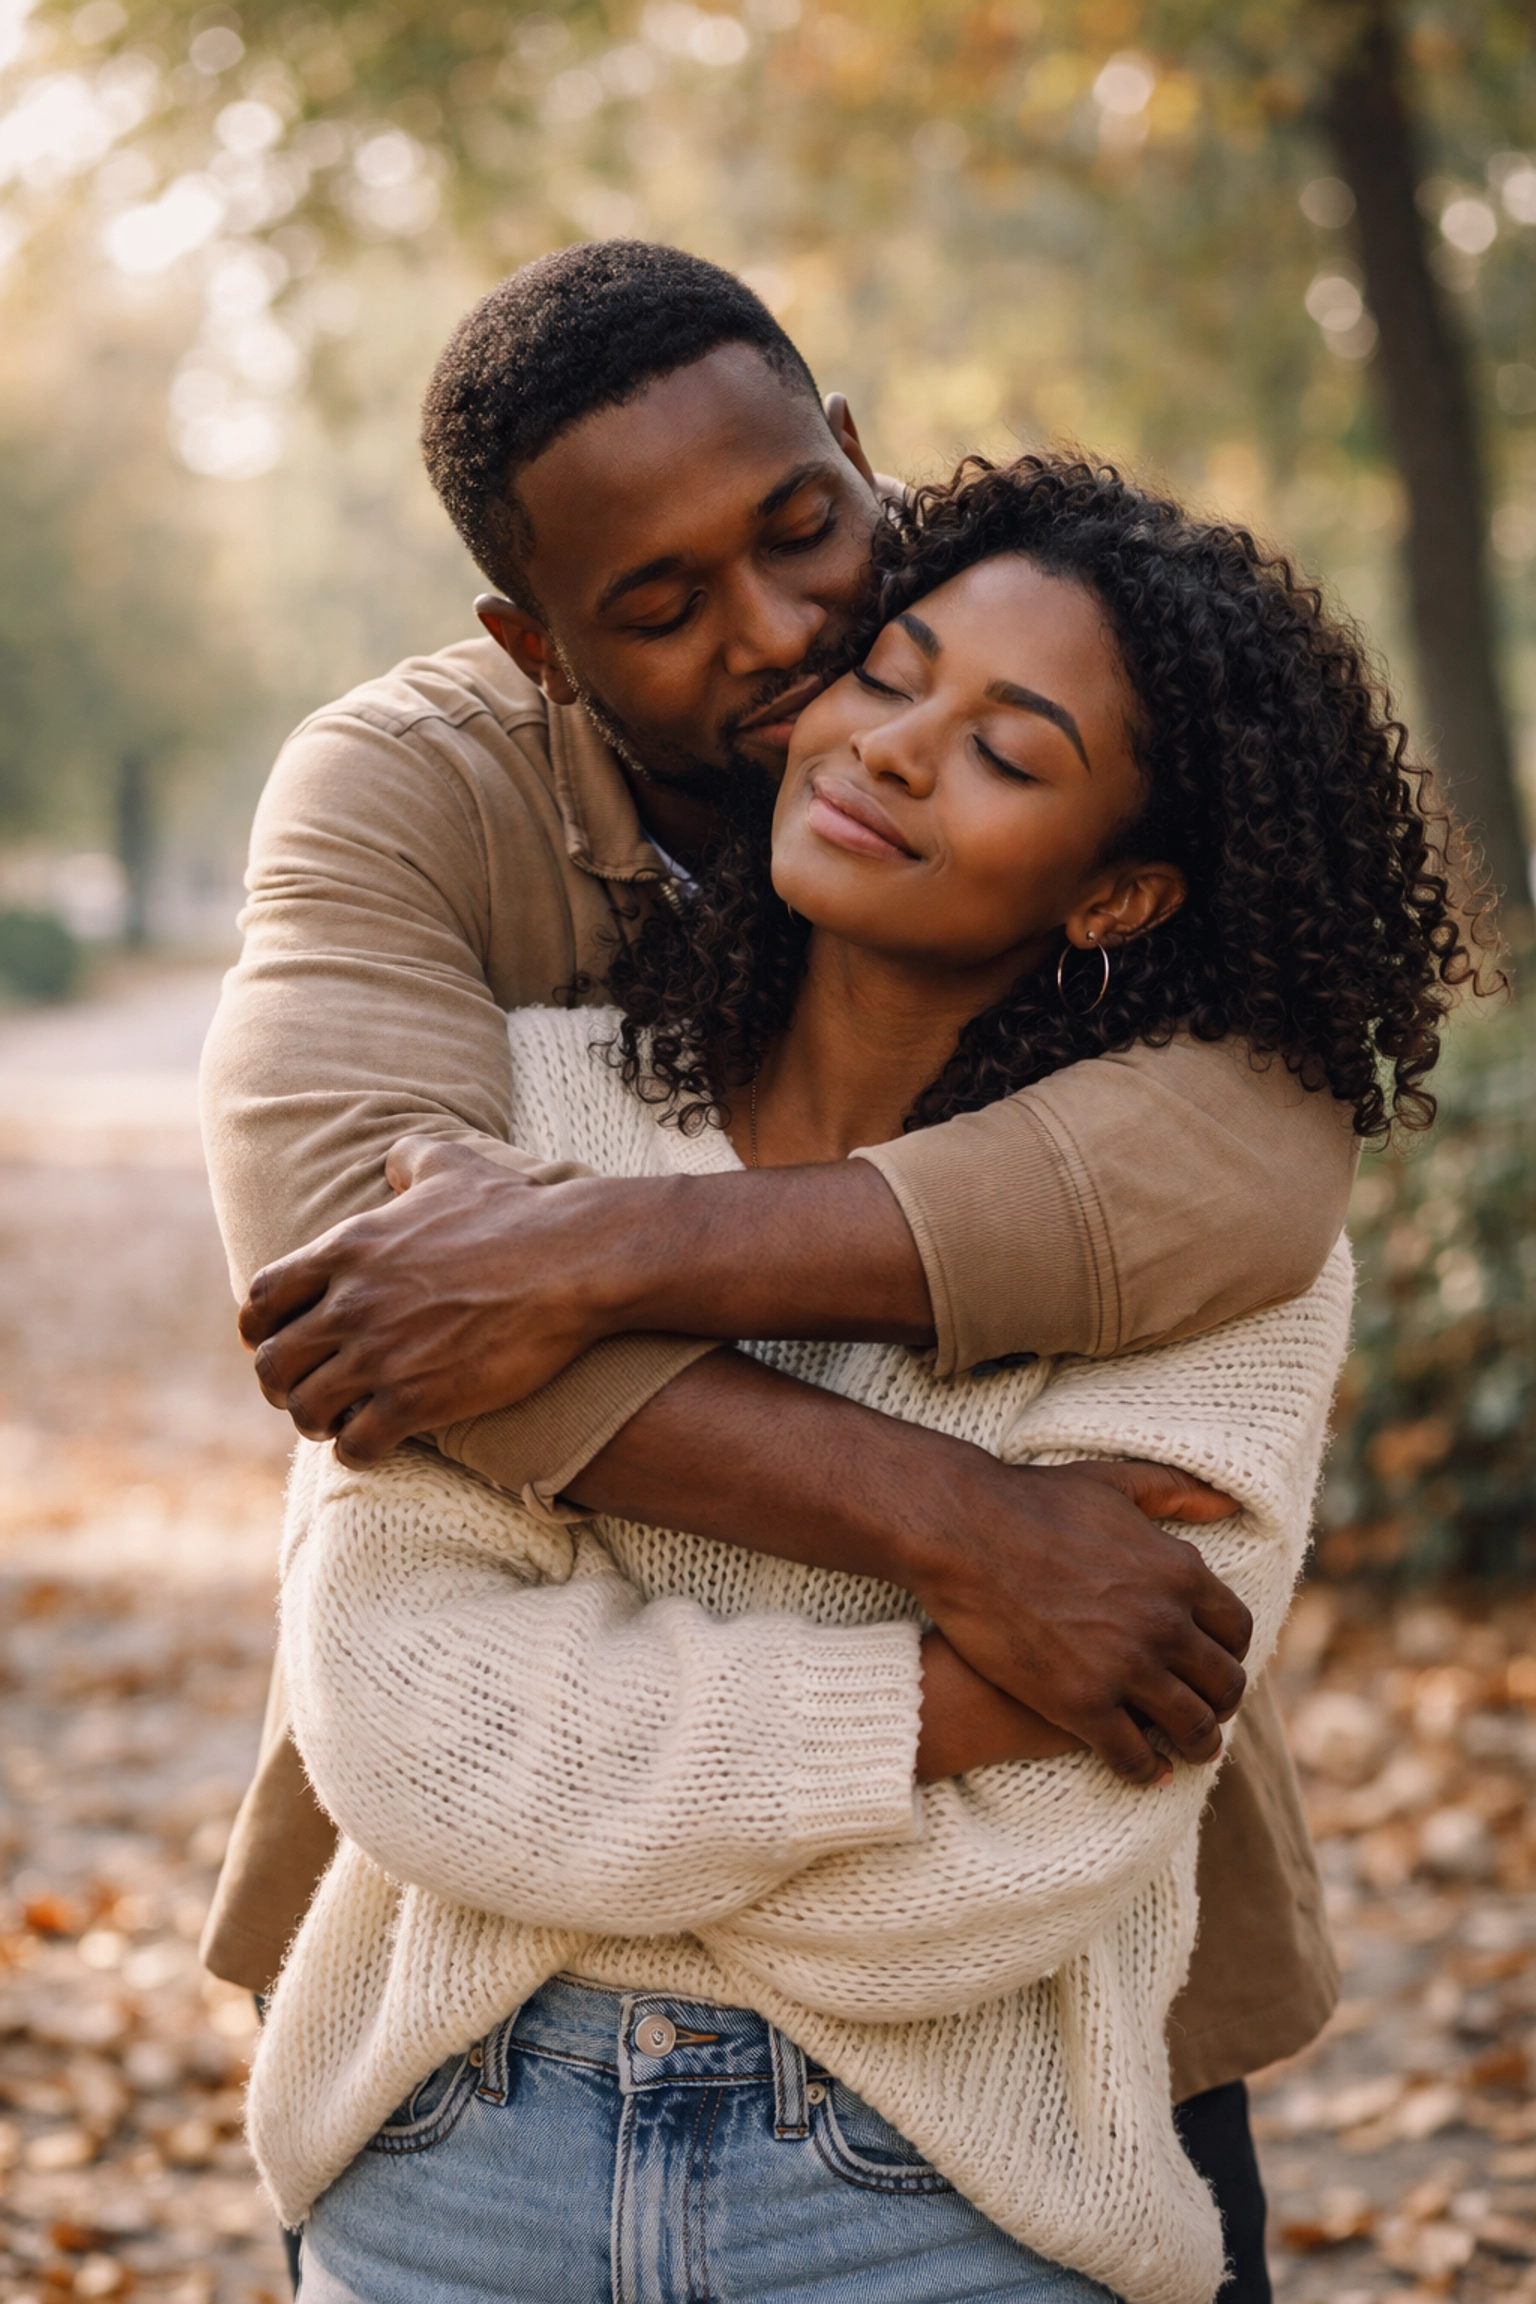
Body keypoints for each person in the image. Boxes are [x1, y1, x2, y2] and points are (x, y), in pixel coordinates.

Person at [202, 246, 1357, 2294]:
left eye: (808, 533)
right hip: (483, 2022)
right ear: (535, 643)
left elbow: (1257, 1165)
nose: (789, 641)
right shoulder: (412, 794)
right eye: (657, 608)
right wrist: (971, 1544)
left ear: (854, 451)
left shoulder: (1086, 701)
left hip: (1032, 2031)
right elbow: (361, 1289)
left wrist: (600, 1250)